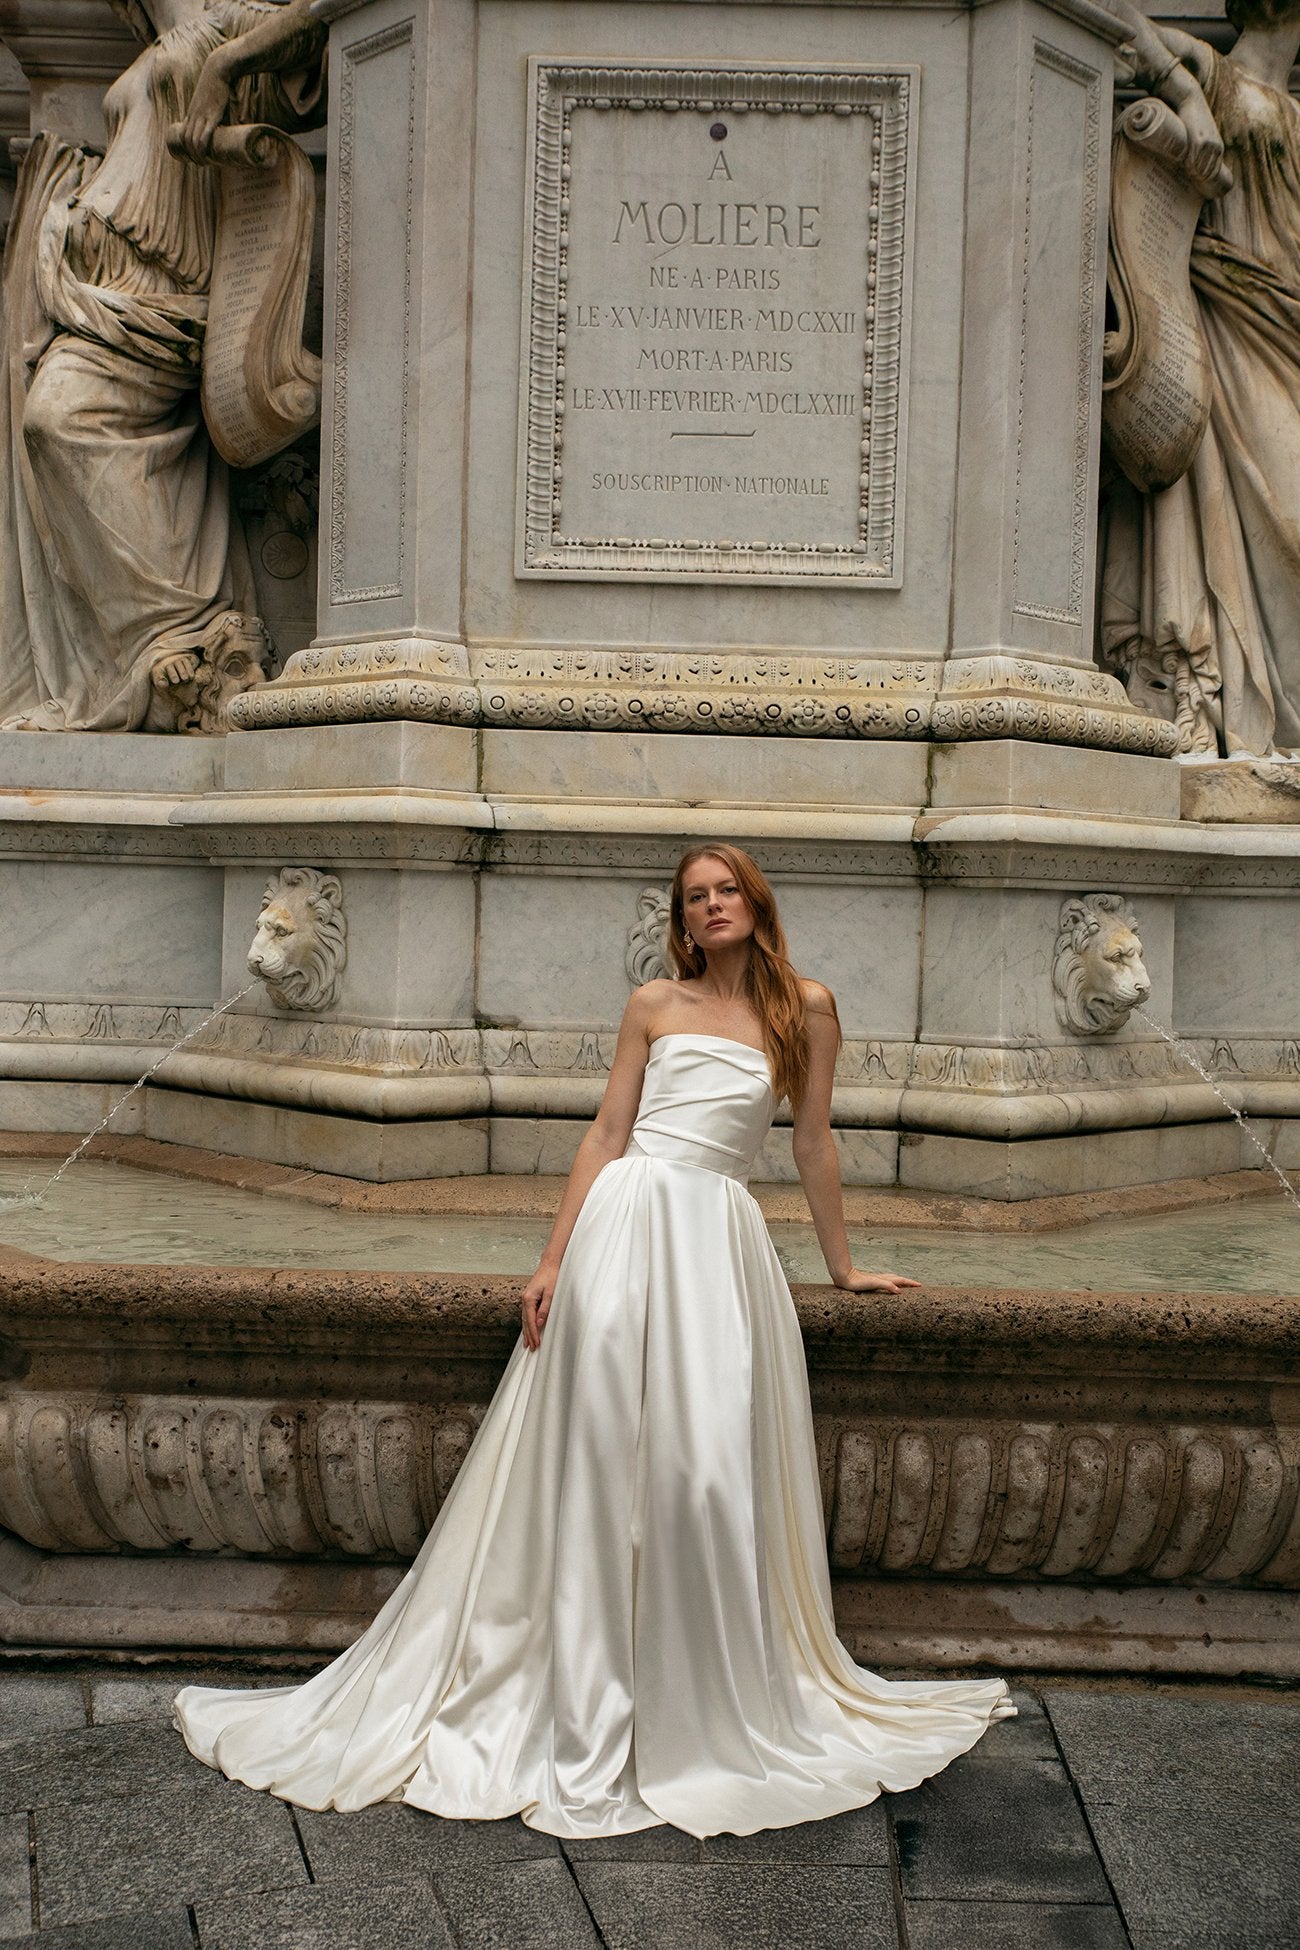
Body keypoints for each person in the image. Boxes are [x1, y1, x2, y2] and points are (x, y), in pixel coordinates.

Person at [174, 845, 1012, 1838]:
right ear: (681, 917)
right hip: (625, 1223)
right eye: (694, 897)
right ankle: (580, 1669)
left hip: (719, 1236)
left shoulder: (808, 1007)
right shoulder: (654, 1004)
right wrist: (550, 1261)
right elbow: (607, 1133)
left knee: (702, 1469)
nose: (711, 907)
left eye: (724, 891)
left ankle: (697, 1689)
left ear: (754, 901)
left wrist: (840, 1267)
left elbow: (813, 1140)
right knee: (602, 1451)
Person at [0, 0, 325, 733]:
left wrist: (224, 65)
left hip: (157, 294)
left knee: (58, 421)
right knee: (48, 426)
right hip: (96, 289)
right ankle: (152, 644)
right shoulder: (156, 43)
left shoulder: (231, 23)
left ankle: (182, 628)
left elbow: (316, 25)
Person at [1101, 0, 1300, 757]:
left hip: (1282, 324)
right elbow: (1125, 25)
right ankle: (1220, 701)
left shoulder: (1286, 105)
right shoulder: (1217, 73)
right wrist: (1187, 98)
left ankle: (1274, 719)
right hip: (1226, 315)